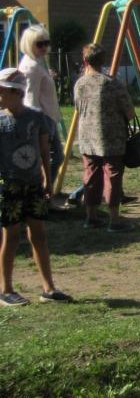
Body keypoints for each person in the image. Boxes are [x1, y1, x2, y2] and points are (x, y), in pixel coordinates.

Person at [0, 69, 72, 306]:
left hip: (33, 185)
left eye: (2, 92)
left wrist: (47, 180)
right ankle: (6, 289)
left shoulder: (36, 117)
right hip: (8, 187)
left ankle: (48, 288)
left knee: (38, 236)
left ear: (18, 93)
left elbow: (44, 151)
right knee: (11, 238)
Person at [74, 44, 135, 231]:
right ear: (103, 61)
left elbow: (77, 108)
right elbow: (130, 112)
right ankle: (114, 220)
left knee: (91, 176)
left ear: (85, 61)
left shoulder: (79, 84)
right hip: (111, 138)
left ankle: (90, 217)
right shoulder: (112, 83)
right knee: (112, 176)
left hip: (87, 137)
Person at [17, 25, 64, 186]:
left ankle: (44, 189)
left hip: (48, 117)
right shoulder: (31, 67)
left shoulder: (36, 62)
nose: (44, 47)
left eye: (46, 43)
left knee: (54, 157)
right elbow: (30, 99)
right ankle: (42, 190)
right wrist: (39, 127)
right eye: (39, 44)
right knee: (52, 158)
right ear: (29, 44)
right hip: (43, 119)